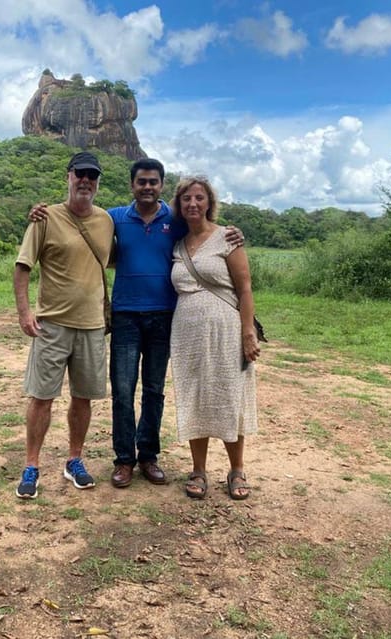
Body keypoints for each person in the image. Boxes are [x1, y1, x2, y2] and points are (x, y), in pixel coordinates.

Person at [30, 160, 243, 489]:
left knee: (155, 391)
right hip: (126, 316)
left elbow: (205, 230)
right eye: (141, 181)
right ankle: (124, 460)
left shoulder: (175, 220)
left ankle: (148, 456)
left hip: (164, 315)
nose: (147, 187)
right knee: (124, 392)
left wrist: (233, 232)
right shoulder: (114, 218)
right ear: (132, 185)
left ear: (161, 186)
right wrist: (38, 212)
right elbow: (79, 216)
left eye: (153, 182)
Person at [13, 151, 114, 499]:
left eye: (92, 176)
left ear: (98, 183)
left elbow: (132, 237)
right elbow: (23, 266)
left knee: (83, 397)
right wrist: (25, 313)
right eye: (80, 174)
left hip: (92, 326)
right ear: (68, 177)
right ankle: (31, 464)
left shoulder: (106, 221)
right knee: (42, 397)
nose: (85, 180)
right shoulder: (44, 218)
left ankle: (75, 459)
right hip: (52, 325)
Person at [168, 176, 260, 501]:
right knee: (195, 396)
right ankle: (198, 469)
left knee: (229, 395)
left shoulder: (227, 238)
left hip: (226, 332)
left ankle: (237, 469)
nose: (193, 204)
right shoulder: (177, 244)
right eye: (186, 199)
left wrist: (248, 332)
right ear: (178, 205)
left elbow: (245, 288)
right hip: (187, 335)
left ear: (209, 203)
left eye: (199, 198)